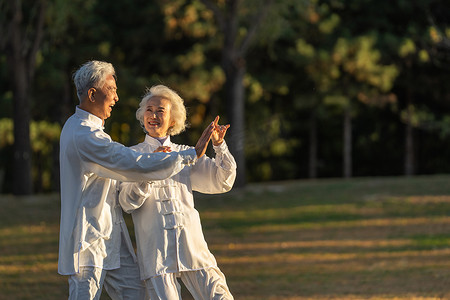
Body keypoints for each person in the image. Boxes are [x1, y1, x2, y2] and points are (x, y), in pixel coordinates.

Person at [58, 61, 214, 300]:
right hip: (88, 242)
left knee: (139, 295)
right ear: (92, 94)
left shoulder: (92, 131)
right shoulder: (82, 134)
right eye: (111, 89)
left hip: (112, 239)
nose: (116, 97)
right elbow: (129, 161)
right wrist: (189, 155)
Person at [118, 85, 237, 299]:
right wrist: (151, 167)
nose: (153, 115)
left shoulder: (185, 154)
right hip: (156, 253)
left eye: (160, 111)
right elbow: (127, 202)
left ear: (172, 120)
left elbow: (222, 180)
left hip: (193, 247)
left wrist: (219, 146)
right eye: (149, 110)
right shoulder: (132, 156)